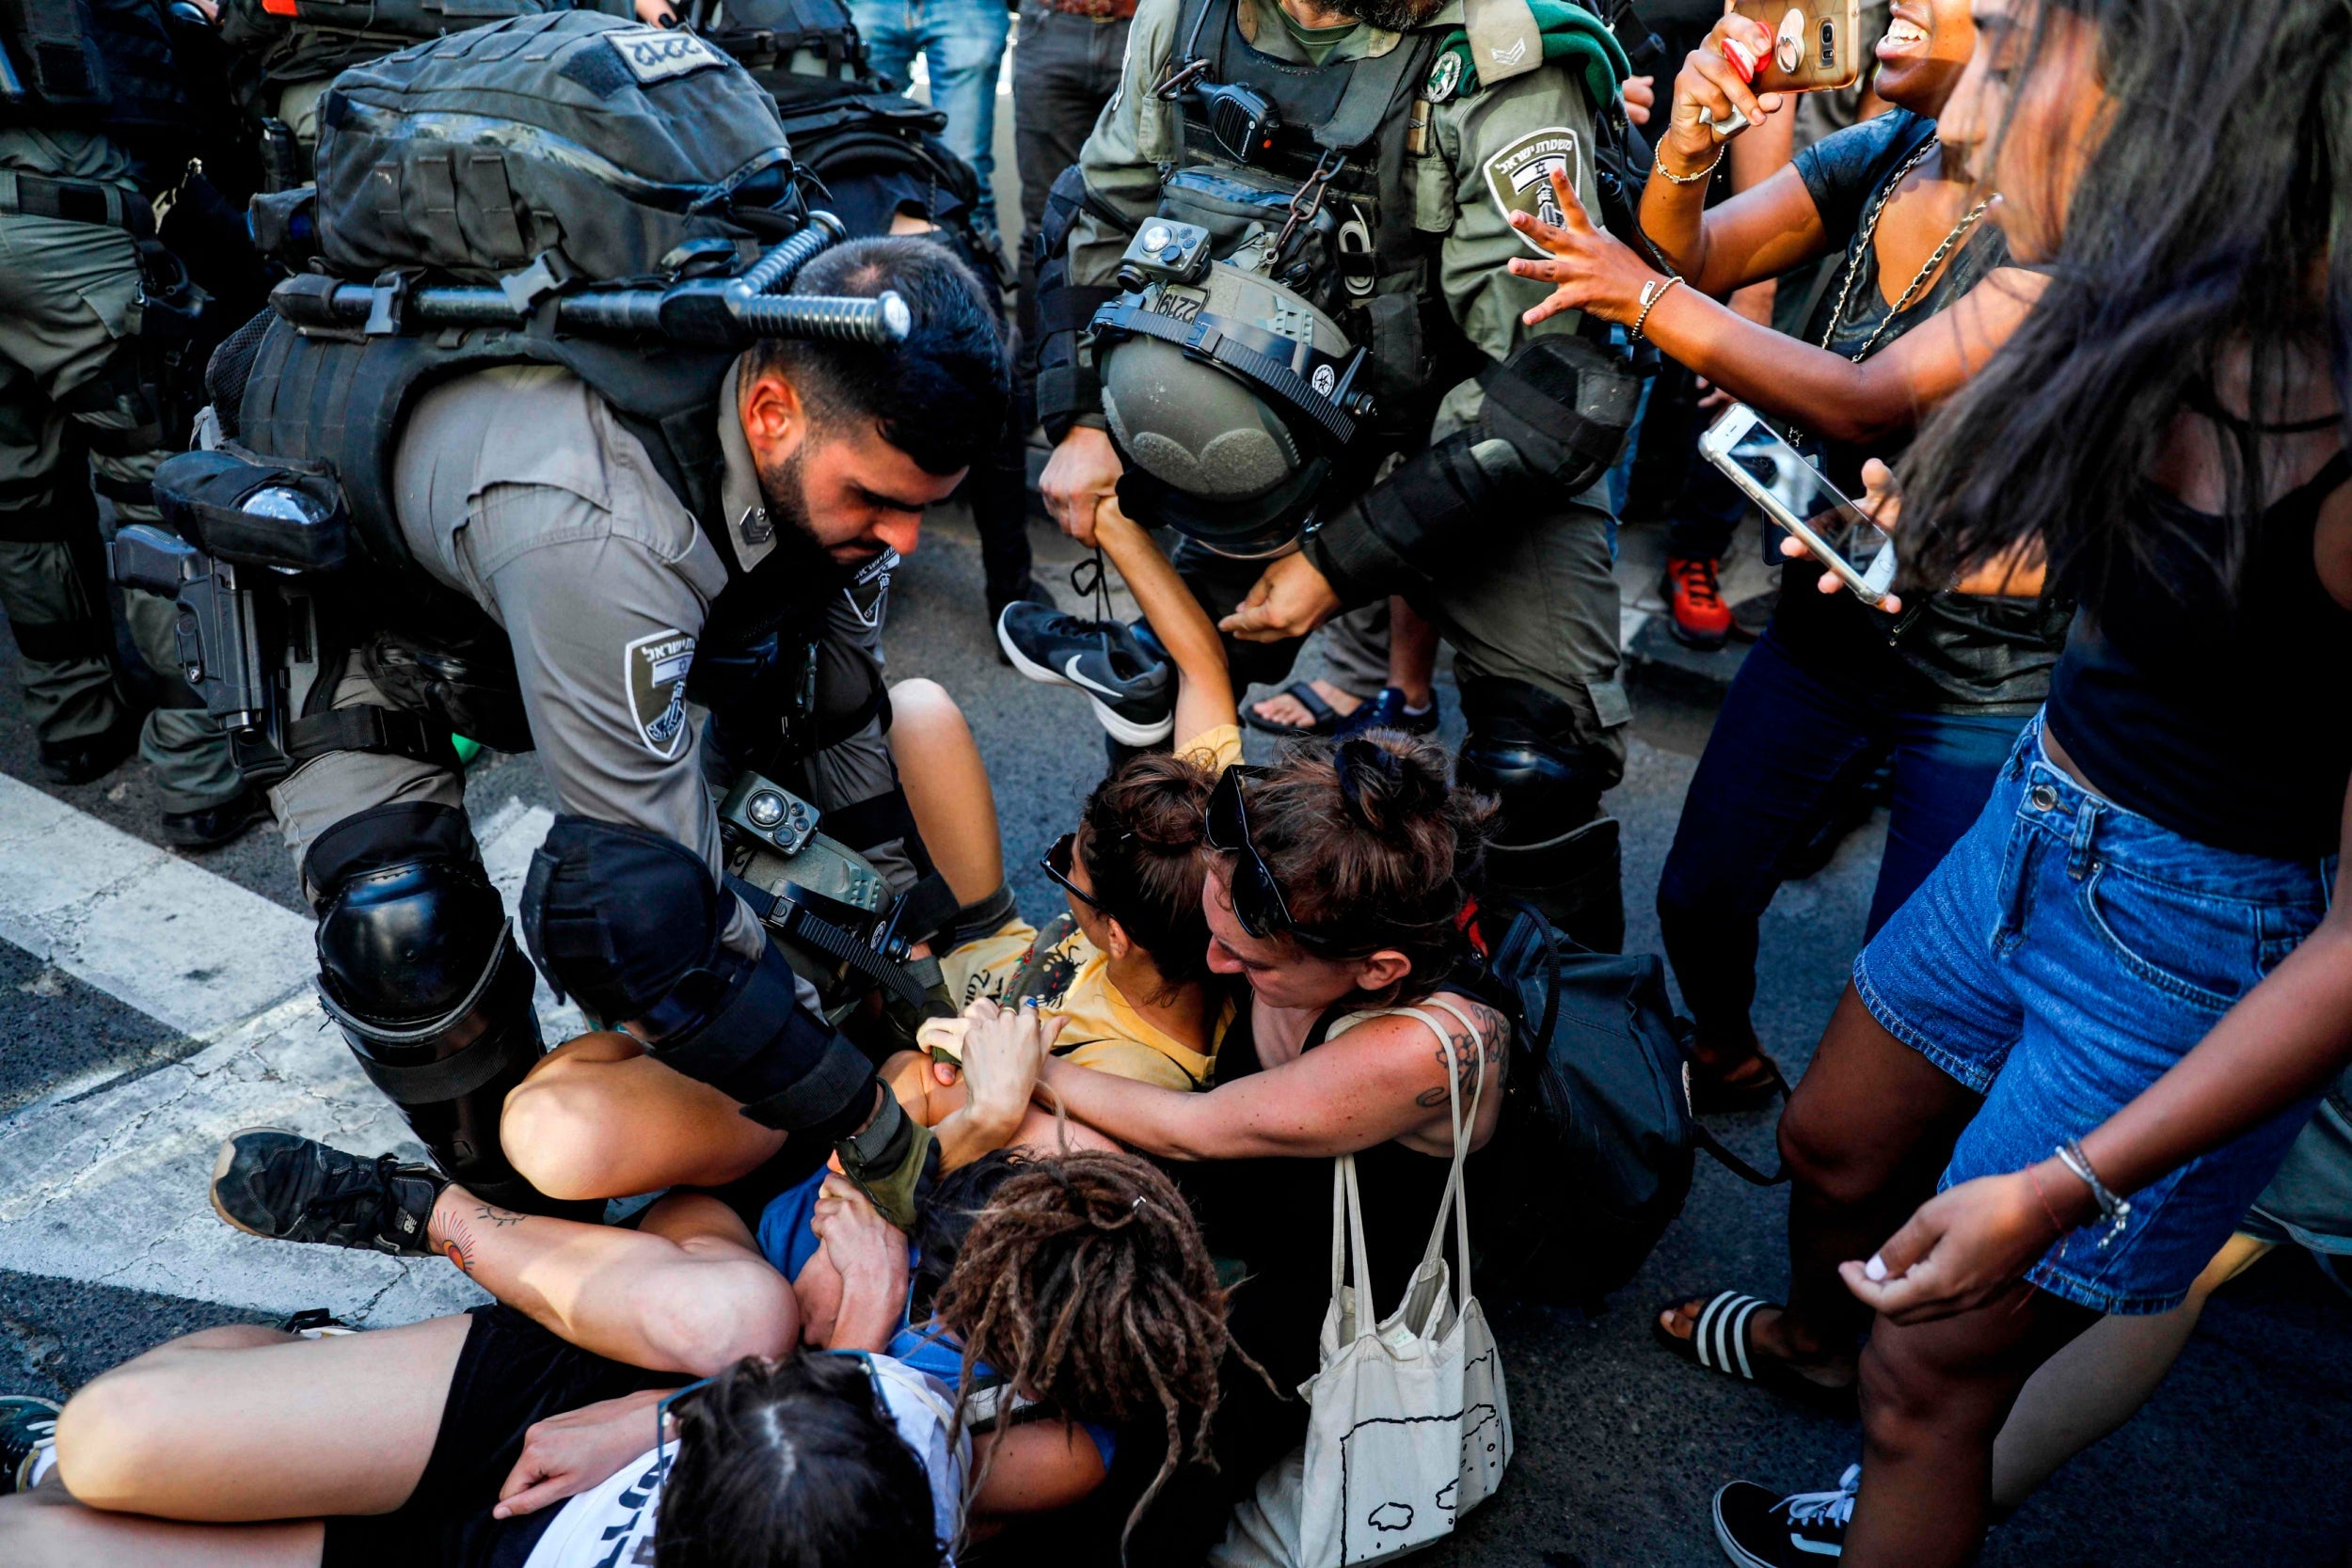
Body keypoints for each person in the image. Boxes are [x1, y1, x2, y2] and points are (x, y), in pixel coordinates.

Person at [1686, 1, 2352, 1562]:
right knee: (1835, 1143)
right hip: (2032, 822)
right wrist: (1922, 530)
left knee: (1931, 1375)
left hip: (2199, 946)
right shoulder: (2144, 315)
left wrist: (2065, 1183)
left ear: (2172, 103)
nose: (1972, 120)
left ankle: (1888, 1445)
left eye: (2011, 54)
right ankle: (1810, 1348)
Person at [213, 30, 1009, 1226]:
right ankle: (494, 1210)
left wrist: (907, 956)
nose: (902, 541)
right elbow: (652, 910)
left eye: (924, 512)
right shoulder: (603, 532)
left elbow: (840, 709)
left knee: (771, 764)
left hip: (537, 554)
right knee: (407, 929)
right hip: (357, 585)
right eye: (880, 504)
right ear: (775, 408)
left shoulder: (833, 429)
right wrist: (867, 1120)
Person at [1505, 0, 2058, 1122]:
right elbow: (1691, 251)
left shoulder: (2067, 226)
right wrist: (1688, 146)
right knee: (1699, 894)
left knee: (1906, 992)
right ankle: (1725, 1053)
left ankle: (1873, 1223)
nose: (1894, 2)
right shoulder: (1886, 151)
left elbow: (1861, 395)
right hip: (1827, 622)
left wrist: (1641, 297)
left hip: (1981, 670)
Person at [1031, 0, 1644, 951]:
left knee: (1538, 765)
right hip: (1271, 430)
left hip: (1473, 443)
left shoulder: (1496, 61)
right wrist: (1079, 414)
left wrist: (1334, 564)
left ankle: (1535, 1042)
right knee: (1157, 707)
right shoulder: (1184, 19)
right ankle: (1161, 989)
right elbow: (1097, 211)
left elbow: (1544, 385)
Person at [500, 497, 1237, 1214]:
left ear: (1118, 933)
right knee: (918, 710)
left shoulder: (1124, 1082)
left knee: (550, 1130)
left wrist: (958, 1088)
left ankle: (695, 1077)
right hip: (962, 955)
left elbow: (915, 1121)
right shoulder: (1211, 851)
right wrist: (1111, 518)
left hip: (845, 1086)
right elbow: (1203, 668)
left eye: (1062, 868)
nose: (1058, 872)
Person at [189, 1107, 1234, 1553]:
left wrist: (859, 1325)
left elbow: (819, 1464)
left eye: (957, 1296)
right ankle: (427, 1208)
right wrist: (952, 1134)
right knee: (753, 1315)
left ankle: (335, 1372)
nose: (936, 1281)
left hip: (719, 1431)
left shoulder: (1055, 1454)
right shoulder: (1092, 1200)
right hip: (704, 1263)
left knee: (768, 1328)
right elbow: (901, 1114)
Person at [1020, 733, 1512, 1560]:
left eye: (1246, 959)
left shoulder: (1428, 1045)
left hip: (1337, 1280)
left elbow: (1197, 1129)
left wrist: (1022, 1060)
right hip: (1261, 1193)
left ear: (1376, 971)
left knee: (1175, 1454)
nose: (1212, 959)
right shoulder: (1286, 856)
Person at [0, 1299, 965, 1567]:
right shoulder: (907, 1427)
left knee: (25, 1539)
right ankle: (314, 1355)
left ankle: (47, 1467)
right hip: (533, 1412)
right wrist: (644, 1419)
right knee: (111, 1439)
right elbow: (840, 1375)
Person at [0, 0, 257, 843]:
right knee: (160, 494)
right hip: (65, 227)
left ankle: (76, 728)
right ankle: (200, 773)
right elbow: (162, 105)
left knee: (23, 505)